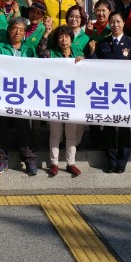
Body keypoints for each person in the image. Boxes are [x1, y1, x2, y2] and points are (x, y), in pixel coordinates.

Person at [0, 16, 39, 176]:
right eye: (15, 28)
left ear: (24, 33)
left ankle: (29, 159)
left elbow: (37, 68)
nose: (17, 32)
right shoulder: (1, 46)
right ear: (9, 30)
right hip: (2, 93)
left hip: (22, 95)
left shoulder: (29, 49)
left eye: (21, 30)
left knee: (23, 127)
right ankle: (2, 158)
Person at [89, 11, 131, 173]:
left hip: (124, 93)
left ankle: (122, 162)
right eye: (112, 22)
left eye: (118, 21)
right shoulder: (103, 43)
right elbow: (96, 66)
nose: (115, 25)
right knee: (109, 129)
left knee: (124, 128)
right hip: (108, 93)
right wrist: (91, 53)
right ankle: (111, 162)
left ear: (124, 23)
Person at [40, 25, 85, 178]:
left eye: (66, 36)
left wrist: (83, 62)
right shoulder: (51, 54)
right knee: (55, 133)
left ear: (72, 39)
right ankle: (54, 163)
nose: (63, 40)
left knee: (71, 134)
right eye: (60, 37)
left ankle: (70, 163)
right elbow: (40, 52)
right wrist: (46, 33)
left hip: (72, 99)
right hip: (55, 98)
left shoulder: (79, 54)